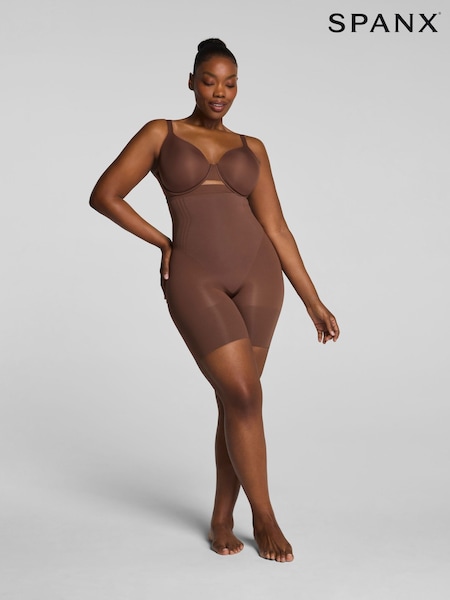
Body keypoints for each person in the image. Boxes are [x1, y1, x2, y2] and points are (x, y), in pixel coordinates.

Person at [90, 38, 340, 563]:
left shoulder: (253, 147)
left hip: (259, 278)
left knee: (238, 399)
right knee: (244, 396)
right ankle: (265, 516)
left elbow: (276, 227)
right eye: (209, 80)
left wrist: (312, 300)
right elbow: (105, 194)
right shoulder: (161, 133)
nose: (219, 91)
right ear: (191, 81)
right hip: (195, 278)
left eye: (230, 83)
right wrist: (163, 243)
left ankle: (223, 516)